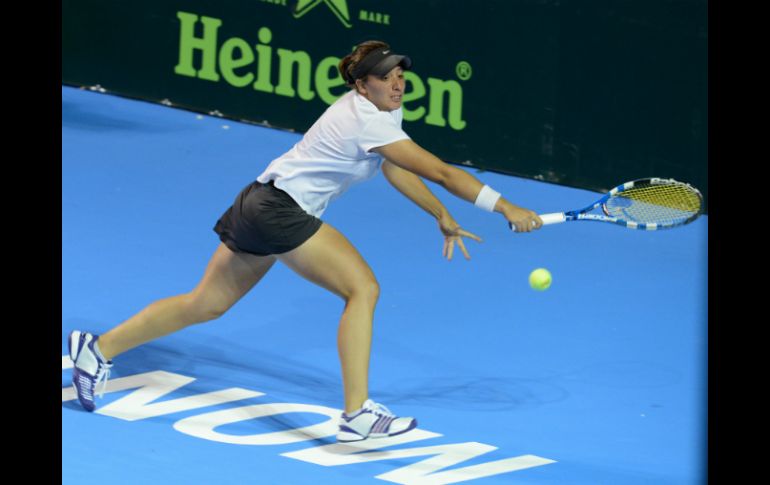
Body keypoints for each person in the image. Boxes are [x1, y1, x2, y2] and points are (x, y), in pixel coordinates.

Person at [67, 40, 543, 442]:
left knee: (207, 304)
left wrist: (440, 213)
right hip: (282, 212)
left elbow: (398, 167)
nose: (397, 83)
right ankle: (357, 415)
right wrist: (506, 207)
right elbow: (439, 169)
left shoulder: (376, 113)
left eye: (400, 74)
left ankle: (97, 349)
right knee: (363, 289)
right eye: (385, 77)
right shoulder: (368, 120)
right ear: (362, 85)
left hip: (257, 201)